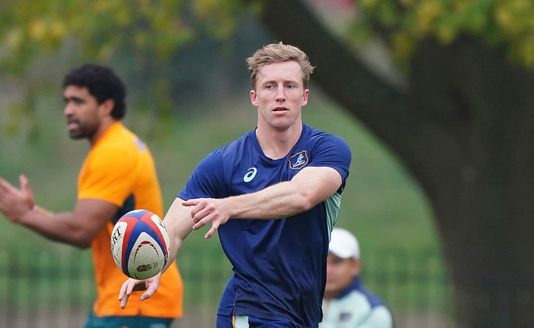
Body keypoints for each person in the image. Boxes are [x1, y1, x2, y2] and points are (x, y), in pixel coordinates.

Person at [119, 42, 352, 327]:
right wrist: (155, 264)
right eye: (270, 87)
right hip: (251, 311)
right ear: (254, 97)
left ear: (304, 96)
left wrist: (228, 206)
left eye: (290, 86)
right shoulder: (224, 164)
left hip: (303, 313)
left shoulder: (327, 150)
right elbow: (173, 231)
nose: (280, 95)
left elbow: (302, 195)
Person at [0, 64, 183, 327]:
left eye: (78, 101)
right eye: (66, 102)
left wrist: (24, 216)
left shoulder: (114, 153)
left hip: (135, 303)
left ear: (106, 107)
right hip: (126, 301)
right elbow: (89, 223)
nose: (68, 110)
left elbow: (80, 230)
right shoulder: (117, 145)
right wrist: (32, 211)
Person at [321, 228, 393, 327]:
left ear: (355, 266)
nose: (327, 270)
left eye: (337, 262)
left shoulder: (373, 311)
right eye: (320, 262)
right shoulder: (298, 304)